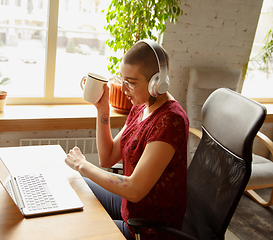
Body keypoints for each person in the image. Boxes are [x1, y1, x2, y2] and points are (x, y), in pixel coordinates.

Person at [65, 40, 189, 240]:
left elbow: (134, 190)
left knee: (80, 229)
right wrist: (102, 108)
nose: (123, 89)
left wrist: (82, 165)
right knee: (75, 185)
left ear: (157, 82)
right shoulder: (141, 107)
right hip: (130, 208)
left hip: (149, 229)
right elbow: (107, 158)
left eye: (130, 82)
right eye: (122, 79)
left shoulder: (170, 121)